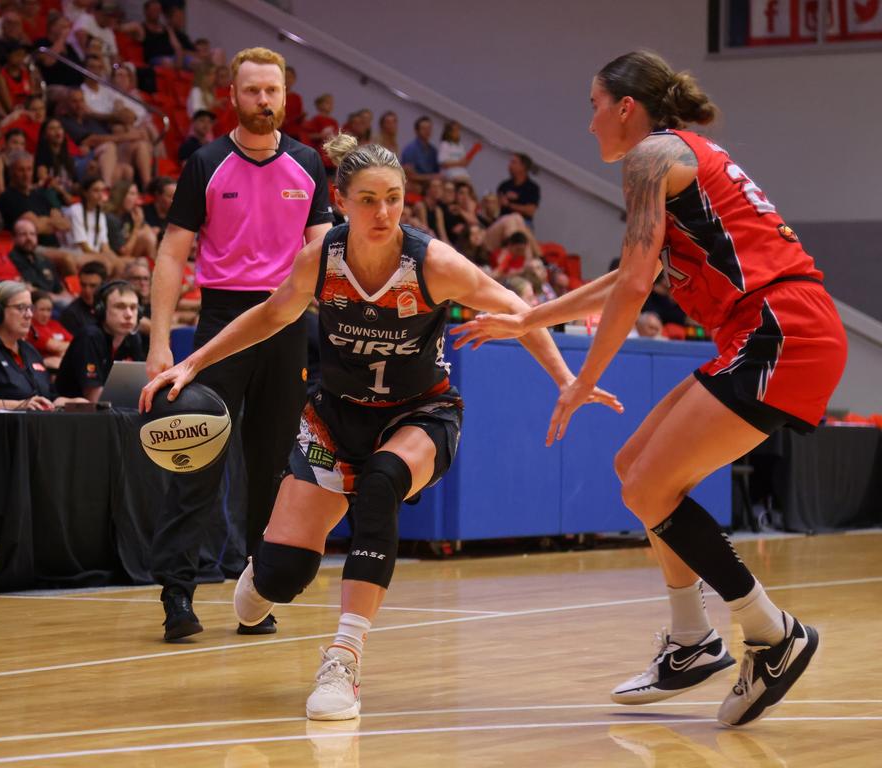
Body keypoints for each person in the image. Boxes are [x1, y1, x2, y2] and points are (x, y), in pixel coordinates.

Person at [140, 133, 621, 719]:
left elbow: (521, 312)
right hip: (337, 415)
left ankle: (343, 660)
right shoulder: (321, 259)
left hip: (422, 412)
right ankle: (264, 571)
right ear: (340, 201)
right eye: (368, 199)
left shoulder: (433, 263)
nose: (383, 212)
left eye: (393, 198)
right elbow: (269, 314)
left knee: (381, 483)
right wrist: (192, 361)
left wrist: (567, 379)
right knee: (284, 576)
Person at [451, 50, 847, 728]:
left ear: (625, 108)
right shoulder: (671, 160)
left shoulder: (651, 158)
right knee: (633, 469)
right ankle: (691, 639)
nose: (589, 122)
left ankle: (772, 633)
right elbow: (626, 275)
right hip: (773, 331)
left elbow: (634, 287)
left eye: (594, 105)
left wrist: (581, 383)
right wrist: (528, 317)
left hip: (782, 330)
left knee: (645, 487)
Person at [145, 47, 333, 642]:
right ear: (233, 95)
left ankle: (255, 597)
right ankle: (178, 594)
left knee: (272, 470)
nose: (263, 101)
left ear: (284, 95)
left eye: (271, 91)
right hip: (222, 322)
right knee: (196, 457)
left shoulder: (308, 165)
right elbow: (172, 253)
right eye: (252, 91)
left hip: (286, 325)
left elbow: (325, 256)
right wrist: (158, 343)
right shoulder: (205, 162)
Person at [0, 280, 83, 411]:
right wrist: (18, 405)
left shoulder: (29, 350)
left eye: (30, 308)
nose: (29, 315)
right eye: (21, 308)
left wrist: (72, 402)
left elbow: (48, 397)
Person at [55, 279, 144, 402]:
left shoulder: (133, 338)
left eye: (133, 308)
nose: (129, 314)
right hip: (71, 414)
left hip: (115, 413)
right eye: (120, 307)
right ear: (101, 310)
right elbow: (94, 398)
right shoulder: (89, 337)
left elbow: (138, 388)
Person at [59, 259, 107, 335]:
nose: (87, 291)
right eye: (83, 285)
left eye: (93, 286)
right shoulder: (71, 314)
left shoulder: (112, 308)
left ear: (104, 285)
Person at [28, 289, 72, 368]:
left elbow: (75, 343)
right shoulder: (30, 327)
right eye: (42, 310)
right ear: (32, 309)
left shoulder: (54, 324)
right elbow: (54, 347)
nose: (46, 314)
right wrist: (62, 348)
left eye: (48, 310)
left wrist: (61, 350)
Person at [400, 116, 441, 186]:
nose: (427, 131)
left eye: (429, 128)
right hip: (415, 184)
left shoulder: (433, 151)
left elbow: (437, 172)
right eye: (424, 129)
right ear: (417, 131)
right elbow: (410, 175)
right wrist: (429, 177)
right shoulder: (410, 149)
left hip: (430, 184)